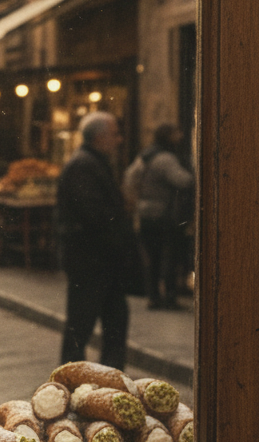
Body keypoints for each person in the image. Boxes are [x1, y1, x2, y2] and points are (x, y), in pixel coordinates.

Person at [56, 111, 138, 369]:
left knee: (114, 320)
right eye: (115, 134)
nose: (120, 139)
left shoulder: (93, 162)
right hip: (91, 261)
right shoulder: (84, 165)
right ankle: (69, 380)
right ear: (100, 137)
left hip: (101, 260)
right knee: (81, 325)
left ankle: (109, 379)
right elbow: (93, 214)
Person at [123, 123, 195, 309]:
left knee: (152, 258)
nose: (180, 135)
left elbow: (129, 178)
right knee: (168, 256)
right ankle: (169, 297)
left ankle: (154, 295)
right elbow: (183, 181)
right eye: (176, 132)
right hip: (163, 214)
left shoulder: (145, 155)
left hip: (145, 212)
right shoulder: (165, 158)